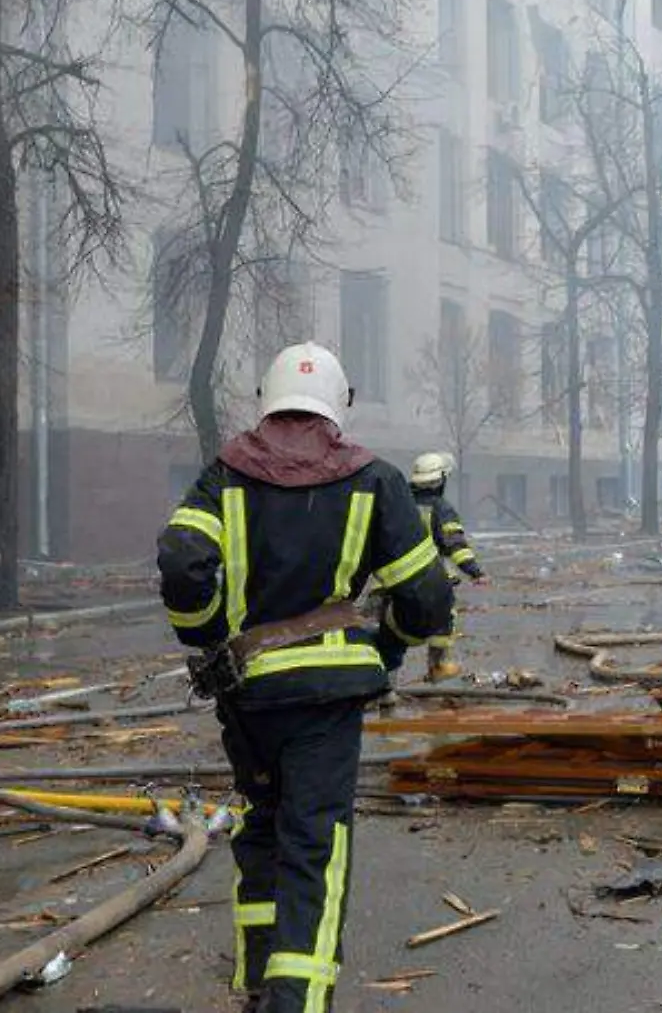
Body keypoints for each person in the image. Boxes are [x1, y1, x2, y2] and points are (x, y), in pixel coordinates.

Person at [157, 342, 454, 1013]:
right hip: (327, 702)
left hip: (249, 698)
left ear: (268, 397)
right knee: (314, 845)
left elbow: (181, 561)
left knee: (261, 829)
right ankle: (297, 1004)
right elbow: (429, 598)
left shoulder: (224, 476)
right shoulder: (374, 480)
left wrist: (207, 644)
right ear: (338, 405)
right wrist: (391, 648)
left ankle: (260, 985)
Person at [408, 451, 489, 682]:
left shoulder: (401, 503)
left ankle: (385, 681)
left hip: (398, 577)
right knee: (443, 620)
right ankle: (437, 666)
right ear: (441, 479)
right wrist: (475, 572)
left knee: (394, 627)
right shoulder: (442, 508)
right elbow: (455, 544)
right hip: (433, 578)